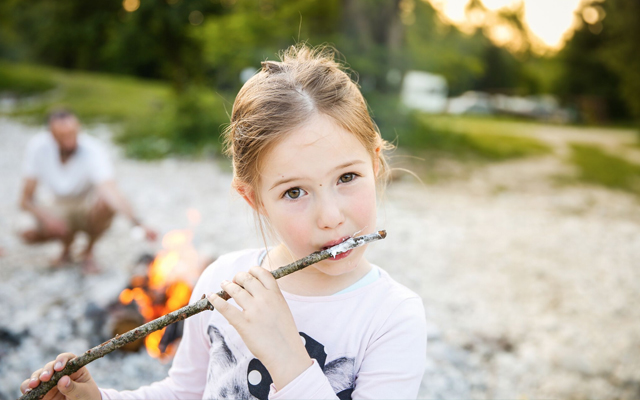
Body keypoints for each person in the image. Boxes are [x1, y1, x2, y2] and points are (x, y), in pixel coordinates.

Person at [20, 44, 427, 399]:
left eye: (347, 178)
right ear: (254, 199)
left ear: (375, 164)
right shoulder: (224, 281)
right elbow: (183, 393)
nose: (331, 217)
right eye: (294, 192)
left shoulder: (392, 317)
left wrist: (286, 356)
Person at [19, 109, 157, 273]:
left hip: (85, 204)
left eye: (72, 132)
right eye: (62, 135)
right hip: (56, 204)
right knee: (24, 229)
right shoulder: (38, 147)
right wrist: (46, 218)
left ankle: (88, 252)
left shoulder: (93, 149)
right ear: (51, 134)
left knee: (106, 203)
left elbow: (110, 190)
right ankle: (66, 248)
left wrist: (138, 222)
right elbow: (25, 200)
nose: (69, 140)